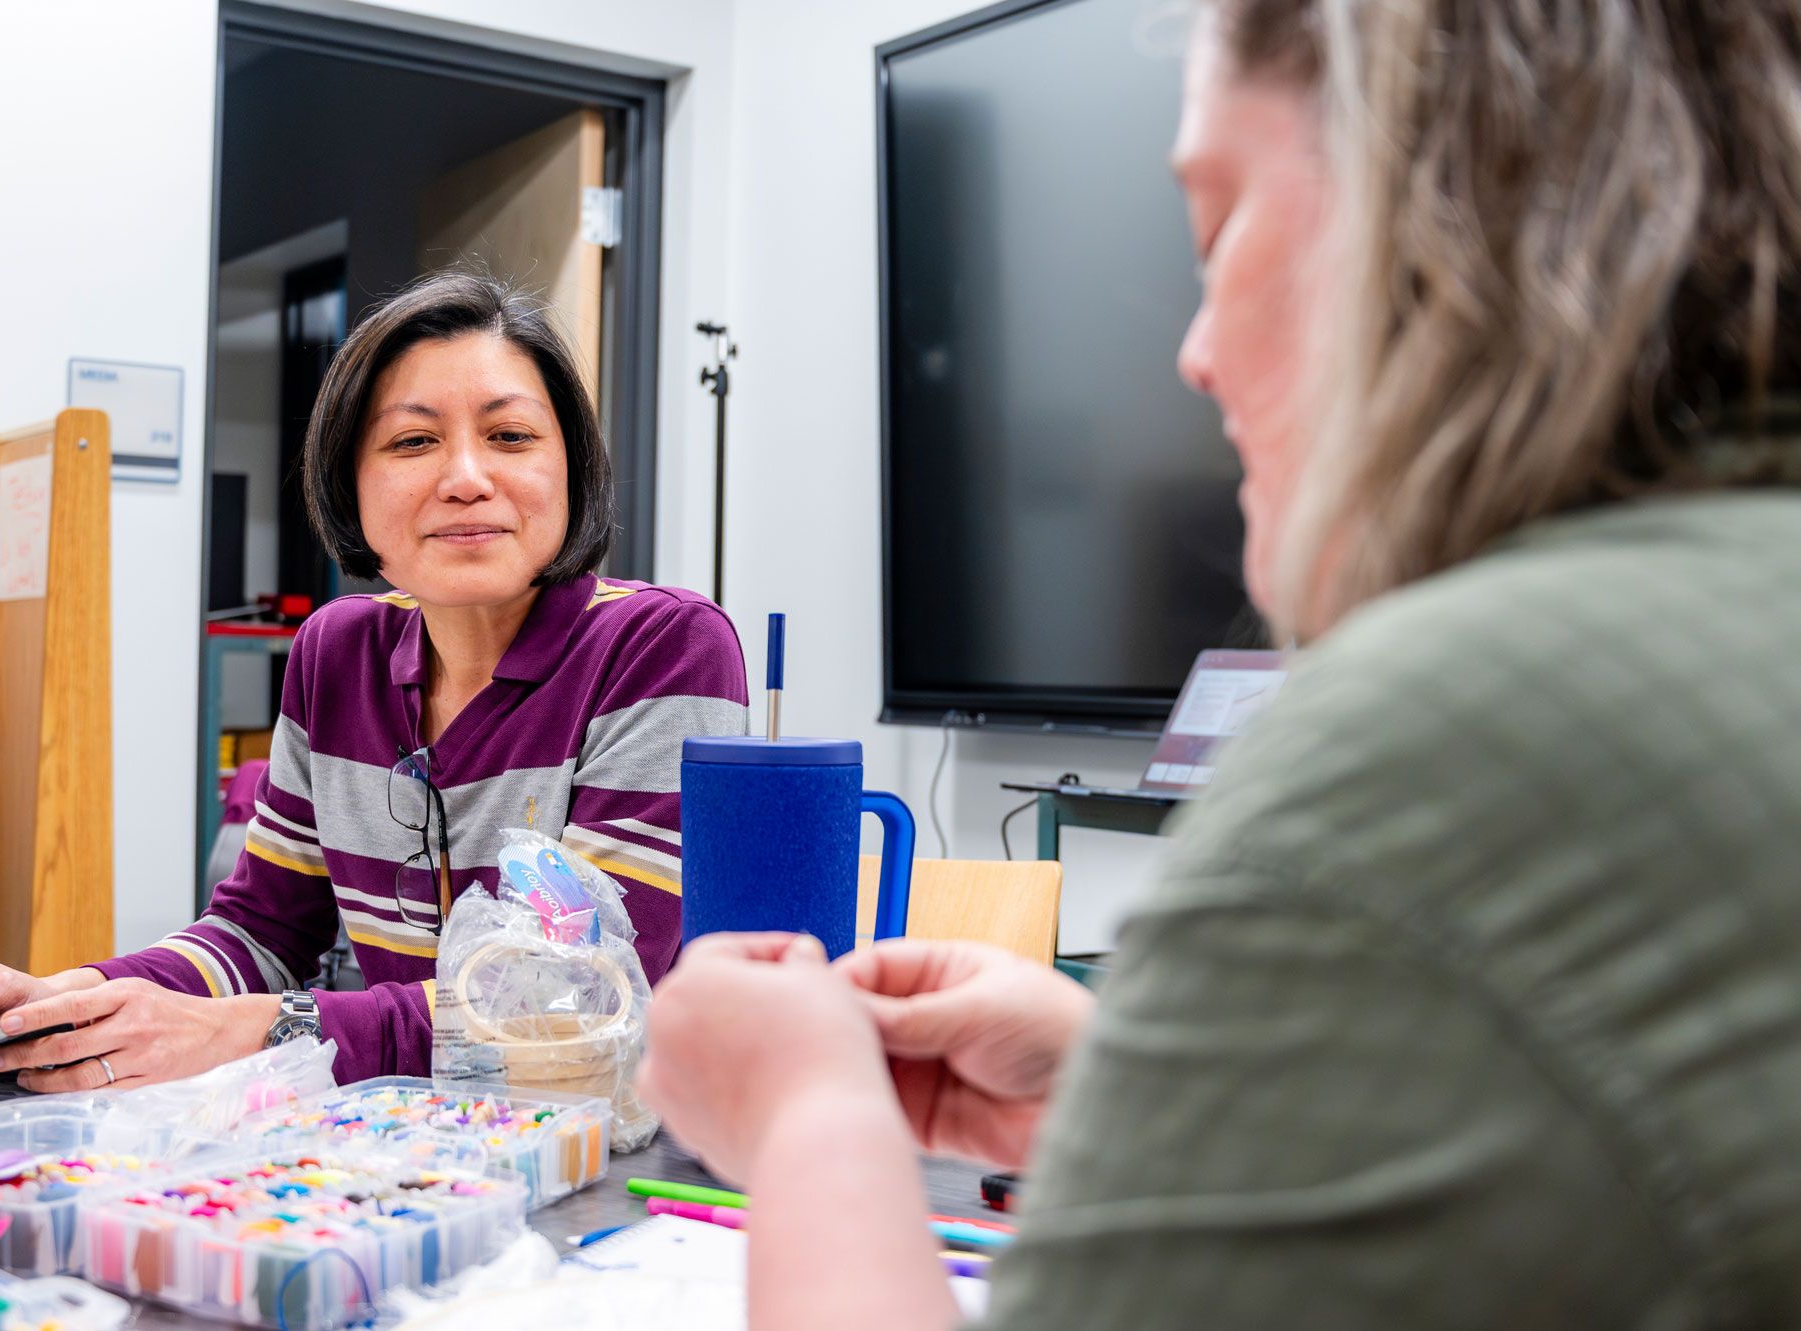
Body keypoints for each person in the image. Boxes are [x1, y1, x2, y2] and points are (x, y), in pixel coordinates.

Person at [637, 1, 1801, 1327]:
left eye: (1217, 225)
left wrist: (806, 1122)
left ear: (1438, 202)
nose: (1190, 352)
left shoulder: (1444, 731)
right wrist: (1124, 1089)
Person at [0, 270, 748, 1090]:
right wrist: (73, 999)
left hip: (609, 1154)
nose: (467, 476)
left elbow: (568, 1007)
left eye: (510, 436)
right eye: (413, 441)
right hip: (409, 1152)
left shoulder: (666, 648)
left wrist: (258, 1029)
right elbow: (259, 932)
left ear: (572, 470)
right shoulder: (336, 652)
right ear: (351, 484)